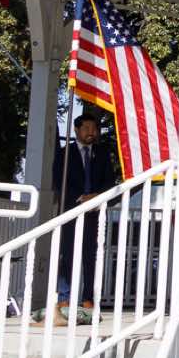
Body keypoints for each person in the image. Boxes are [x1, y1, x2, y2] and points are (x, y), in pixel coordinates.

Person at [52, 113, 118, 324]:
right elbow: (58, 181)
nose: (91, 132)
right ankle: (64, 298)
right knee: (68, 255)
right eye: (87, 128)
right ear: (76, 130)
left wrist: (97, 197)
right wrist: (80, 198)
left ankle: (88, 298)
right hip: (71, 211)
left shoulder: (102, 154)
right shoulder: (65, 154)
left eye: (94, 128)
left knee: (91, 257)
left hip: (94, 213)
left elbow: (110, 182)